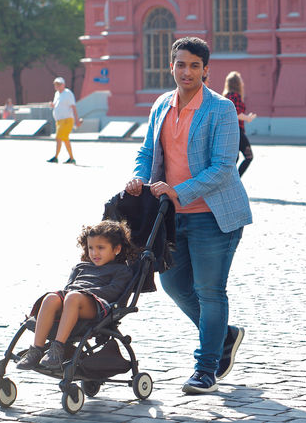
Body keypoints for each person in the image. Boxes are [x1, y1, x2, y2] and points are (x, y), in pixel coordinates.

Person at [125, 37, 251, 394]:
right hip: (171, 216)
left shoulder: (221, 109)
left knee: (210, 291)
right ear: (172, 66)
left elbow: (224, 168)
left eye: (195, 65)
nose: (187, 71)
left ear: (206, 70)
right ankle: (223, 335)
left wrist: (179, 191)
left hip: (215, 216)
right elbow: (148, 150)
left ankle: (206, 369)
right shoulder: (162, 104)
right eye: (181, 64)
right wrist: (140, 176)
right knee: (173, 284)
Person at [16, 220, 136, 370]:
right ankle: (36, 350)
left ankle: (58, 349)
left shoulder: (120, 270)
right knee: (51, 298)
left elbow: (114, 291)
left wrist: (84, 294)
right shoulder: (81, 267)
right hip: (72, 300)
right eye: (91, 248)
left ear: (116, 249)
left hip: (96, 305)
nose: (94, 253)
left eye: (101, 248)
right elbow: (69, 287)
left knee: (73, 297)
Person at [222, 71, 257, 177]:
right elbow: (235, 112)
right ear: (237, 83)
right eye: (241, 80)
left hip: (230, 131)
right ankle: (235, 180)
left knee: (234, 158)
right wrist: (248, 118)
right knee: (249, 156)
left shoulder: (227, 96)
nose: (243, 82)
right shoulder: (235, 96)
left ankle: (229, 181)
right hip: (237, 131)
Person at [48, 77, 81, 164]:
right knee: (65, 139)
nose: (57, 86)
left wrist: (76, 120)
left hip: (67, 120)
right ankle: (71, 158)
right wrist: (52, 105)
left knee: (58, 137)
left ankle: (56, 157)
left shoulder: (68, 93)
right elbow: (56, 105)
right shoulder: (57, 94)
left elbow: (73, 107)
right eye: (55, 84)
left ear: (63, 85)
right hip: (59, 121)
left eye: (59, 84)